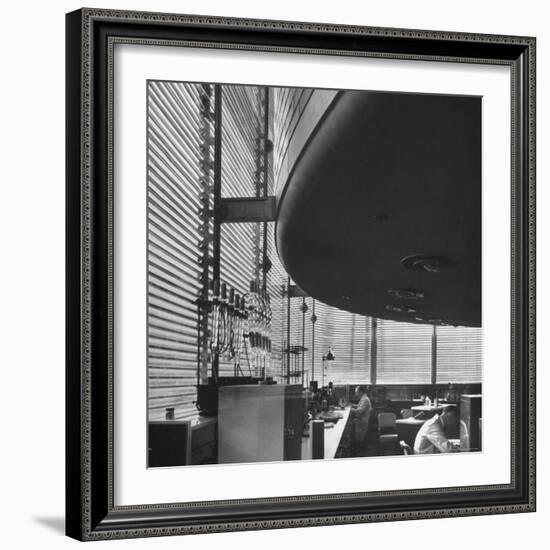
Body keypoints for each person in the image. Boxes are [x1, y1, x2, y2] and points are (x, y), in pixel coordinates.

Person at [350, 385, 372, 453]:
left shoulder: (365, 399)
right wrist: (351, 405)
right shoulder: (363, 398)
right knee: (352, 423)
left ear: (360, 392)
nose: (355, 394)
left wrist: (349, 409)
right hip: (361, 419)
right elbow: (359, 406)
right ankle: (356, 446)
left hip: (362, 421)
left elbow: (359, 411)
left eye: (356, 392)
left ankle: (358, 450)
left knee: (358, 436)